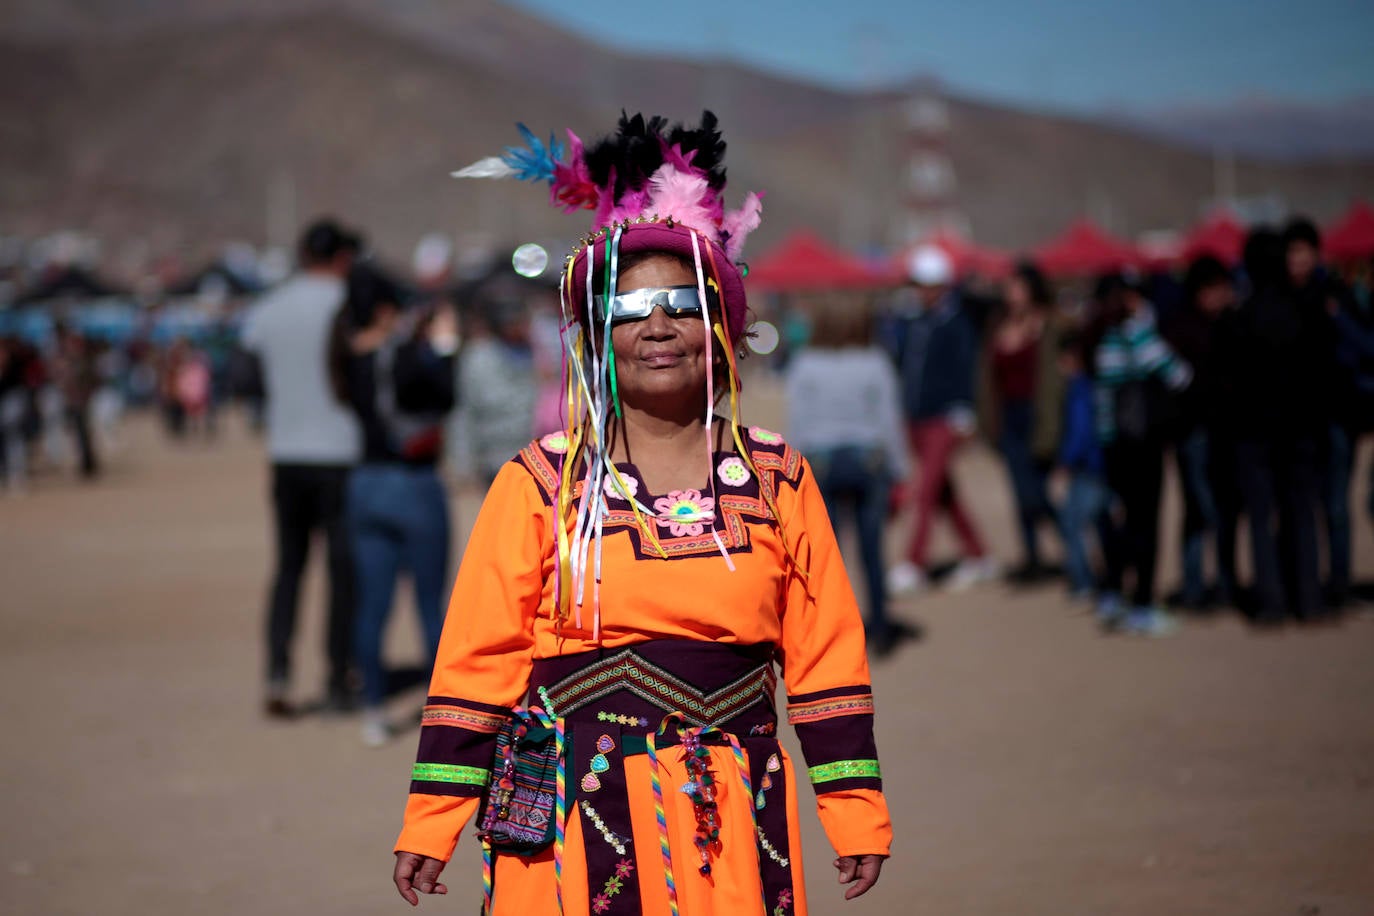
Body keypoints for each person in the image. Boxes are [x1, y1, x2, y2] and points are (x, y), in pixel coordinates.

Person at [393, 112, 891, 915]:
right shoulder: (538, 484)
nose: (657, 327)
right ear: (597, 338)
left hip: (728, 821)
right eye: (629, 309)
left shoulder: (777, 477)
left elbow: (826, 656)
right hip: (564, 825)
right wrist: (431, 821)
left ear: (720, 326)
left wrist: (854, 811)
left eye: (681, 304)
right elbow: (474, 664)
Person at [330, 265, 459, 746]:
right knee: (430, 604)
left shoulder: (343, 356)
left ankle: (373, 710)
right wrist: (444, 347)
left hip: (365, 484)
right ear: (386, 310)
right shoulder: (404, 354)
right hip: (414, 484)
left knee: (373, 606)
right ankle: (445, 713)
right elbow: (446, 398)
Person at [240, 218, 362, 717]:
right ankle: (337, 677)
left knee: (289, 567)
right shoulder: (349, 305)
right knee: (340, 570)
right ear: (341, 258)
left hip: (286, 454)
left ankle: (277, 671)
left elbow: (247, 378)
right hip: (340, 453)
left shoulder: (269, 307)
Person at [785, 294, 915, 657]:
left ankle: (833, 632)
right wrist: (901, 469)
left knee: (827, 555)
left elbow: (798, 420)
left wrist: (792, 472)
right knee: (873, 548)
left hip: (822, 462)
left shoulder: (806, 363)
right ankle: (881, 627)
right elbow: (889, 419)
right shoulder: (875, 362)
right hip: (869, 460)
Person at [1218, 227, 1330, 624]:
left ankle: (1272, 601)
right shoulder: (1307, 310)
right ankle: (1309, 598)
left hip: (1254, 434)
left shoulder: (1240, 317)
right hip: (1300, 430)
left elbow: (1228, 381)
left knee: (1262, 519)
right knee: (1301, 513)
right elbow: (1322, 371)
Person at [884, 245, 998, 595]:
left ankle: (913, 563)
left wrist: (964, 409)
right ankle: (979, 555)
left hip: (944, 419)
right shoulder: (913, 320)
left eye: (924, 284)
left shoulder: (955, 322)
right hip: (914, 417)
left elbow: (966, 369)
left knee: (926, 492)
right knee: (945, 492)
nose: (918, 290)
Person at [1091, 273, 1192, 635]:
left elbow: (1102, 402)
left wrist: (1106, 447)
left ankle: (1115, 593)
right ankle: (1144, 604)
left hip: (1114, 447)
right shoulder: (1137, 333)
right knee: (1146, 523)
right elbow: (1179, 375)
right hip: (1143, 445)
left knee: (1122, 522)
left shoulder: (1101, 339)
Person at [977, 261, 1063, 583]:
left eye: (1017, 287)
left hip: (1039, 416)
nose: (1011, 293)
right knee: (1018, 491)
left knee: (1036, 492)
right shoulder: (998, 325)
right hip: (1008, 416)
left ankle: (1071, 544)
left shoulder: (1050, 325)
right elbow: (987, 378)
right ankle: (1032, 557)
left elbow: (1057, 379)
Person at [1162, 256, 1240, 610]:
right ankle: (1195, 585)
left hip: (1227, 432)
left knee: (1223, 510)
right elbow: (1177, 387)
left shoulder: (1233, 324)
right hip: (1191, 433)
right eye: (1214, 288)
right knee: (1200, 510)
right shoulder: (1180, 327)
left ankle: (1225, 582)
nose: (1221, 295)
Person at [450, 281, 539, 486]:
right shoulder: (477, 358)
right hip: (496, 458)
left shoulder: (539, 351)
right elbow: (465, 411)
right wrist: (463, 461)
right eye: (512, 320)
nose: (519, 325)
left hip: (540, 454)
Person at [1054, 332, 1108, 602]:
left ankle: (1085, 581)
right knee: (1090, 524)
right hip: (1093, 467)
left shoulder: (1080, 387)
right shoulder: (1091, 385)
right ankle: (1095, 578)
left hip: (1088, 468)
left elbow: (1080, 431)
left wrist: (1065, 461)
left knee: (1074, 523)